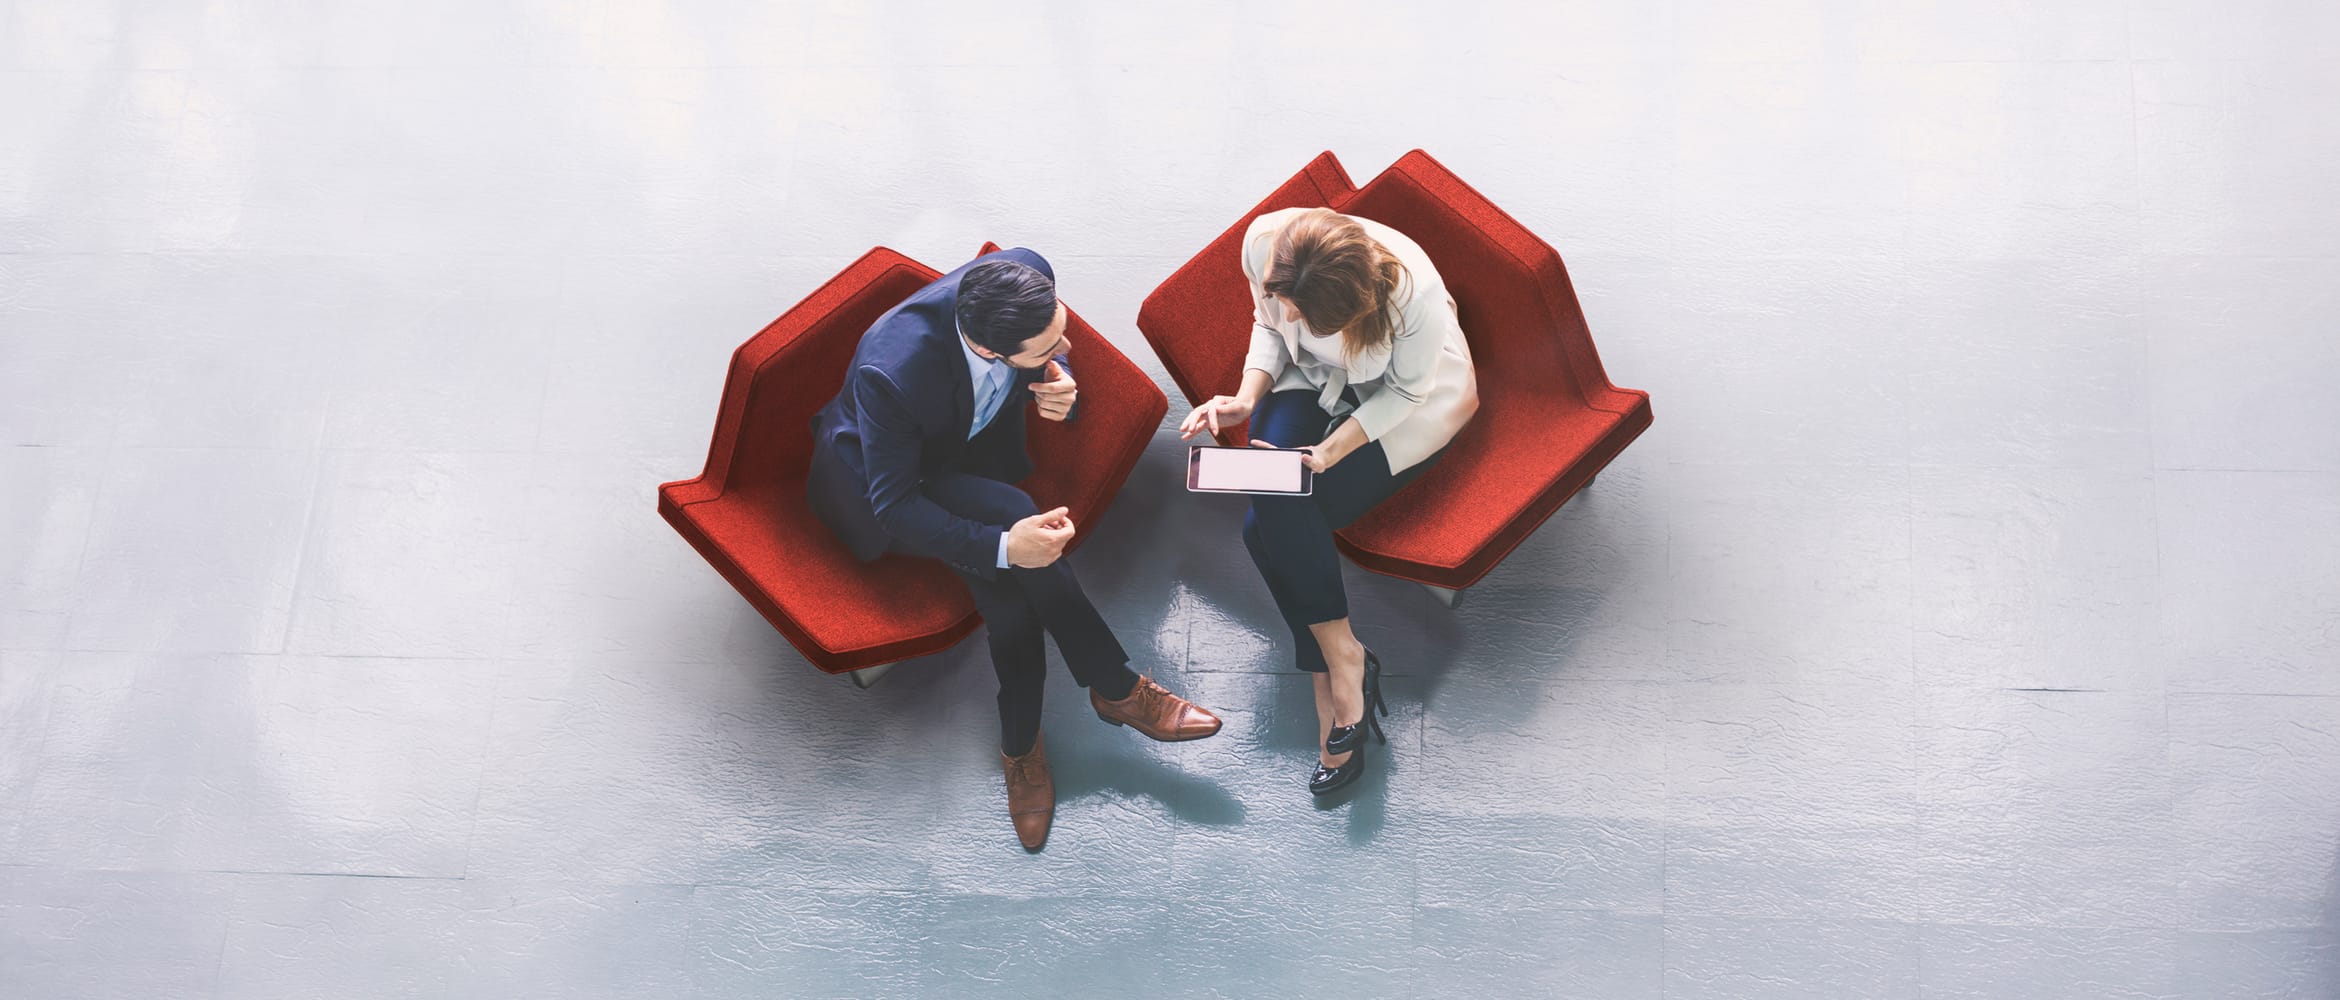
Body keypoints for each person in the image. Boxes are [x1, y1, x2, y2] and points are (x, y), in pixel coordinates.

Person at [808, 247, 1223, 850]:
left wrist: (1057, 385)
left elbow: (1052, 365)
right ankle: (1111, 691)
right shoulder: (893, 372)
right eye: (1047, 351)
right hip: (893, 480)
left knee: (1009, 603)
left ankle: (1025, 745)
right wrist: (1006, 548)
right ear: (988, 350)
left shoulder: (1025, 271)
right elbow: (894, 507)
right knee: (1012, 531)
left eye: (1061, 328)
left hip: (966, 450)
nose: (1067, 349)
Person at [1178, 207, 1478, 797]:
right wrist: (1244, 398)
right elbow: (1268, 325)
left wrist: (1331, 450)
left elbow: (1404, 392)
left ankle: (1330, 667)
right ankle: (1343, 659)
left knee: (1267, 525)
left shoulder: (1413, 296)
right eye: (1286, 299)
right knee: (1274, 502)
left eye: (1301, 310)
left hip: (1403, 403)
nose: (1288, 312)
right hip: (1310, 378)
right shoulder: (1266, 243)